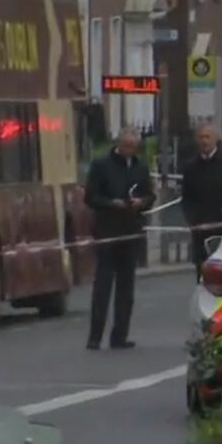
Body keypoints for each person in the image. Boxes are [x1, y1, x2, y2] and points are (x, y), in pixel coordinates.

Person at [84, 127, 156, 350]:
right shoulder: (101, 165)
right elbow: (91, 197)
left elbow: (150, 195)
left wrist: (142, 202)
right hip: (107, 230)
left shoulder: (140, 167)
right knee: (103, 286)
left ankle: (120, 336)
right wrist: (111, 203)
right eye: (126, 147)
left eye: (134, 148)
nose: (130, 151)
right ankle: (95, 336)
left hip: (131, 229)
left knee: (127, 286)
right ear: (118, 144)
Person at [181, 122, 222, 281]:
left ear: (216, 139)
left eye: (208, 137)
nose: (204, 141)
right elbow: (187, 198)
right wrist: (192, 221)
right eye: (201, 137)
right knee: (202, 273)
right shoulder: (190, 167)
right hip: (200, 228)